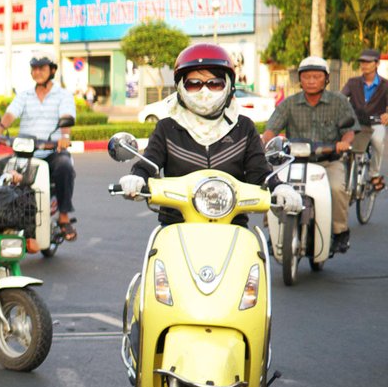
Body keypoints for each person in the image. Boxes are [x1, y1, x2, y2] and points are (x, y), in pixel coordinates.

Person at [118, 43, 300, 225]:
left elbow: (259, 173)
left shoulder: (243, 127)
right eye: (194, 84)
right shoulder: (167, 128)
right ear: (180, 87)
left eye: (214, 84)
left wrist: (280, 188)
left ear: (229, 86)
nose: (204, 91)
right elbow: (150, 163)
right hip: (176, 226)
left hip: (233, 227)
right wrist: (138, 177)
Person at [262, 55, 357, 254]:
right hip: (293, 162)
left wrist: (344, 143)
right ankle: (273, 231)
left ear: (326, 79)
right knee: (273, 188)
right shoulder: (289, 103)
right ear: (300, 79)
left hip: (328, 161)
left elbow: (350, 129)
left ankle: (340, 233)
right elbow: (271, 129)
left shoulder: (338, 101)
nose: (312, 81)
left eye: (316, 76)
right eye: (307, 77)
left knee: (337, 188)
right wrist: (268, 142)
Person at [0, 56, 79, 241]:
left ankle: (64, 216)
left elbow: (66, 116)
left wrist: (65, 137)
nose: (37, 72)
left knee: (65, 166)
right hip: (25, 153)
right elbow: (11, 113)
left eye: (41, 68)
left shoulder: (63, 95)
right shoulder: (24, 95)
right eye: (34, 68)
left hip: (52, 152)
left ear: (52, 70)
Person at [342, 47, 388, 193]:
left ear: (376, 64)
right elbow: (341, 98)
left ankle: (374, 174)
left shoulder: (385, 85)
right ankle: (344, 173)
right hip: (355, 122)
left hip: (375, 123)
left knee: (378, 141)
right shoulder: (352, 82)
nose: (364, 65)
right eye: (362, 62)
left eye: (368, 62)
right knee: (344, 145)